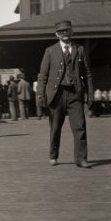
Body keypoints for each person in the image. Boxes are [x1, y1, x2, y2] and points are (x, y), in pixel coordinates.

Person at [37, 20, 94, 168]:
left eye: (67, 30)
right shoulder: (50, 51)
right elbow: (43, 75)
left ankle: (81, 159)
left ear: (72, 32)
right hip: (57, 94)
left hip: (75, 94)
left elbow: (87, 74)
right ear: (57, 34)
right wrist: (41, 95)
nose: (64, 34)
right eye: (61, 31)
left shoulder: (79, 49)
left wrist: (90, 93)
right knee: (55, 127)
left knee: (80, 126)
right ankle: (53, 155)